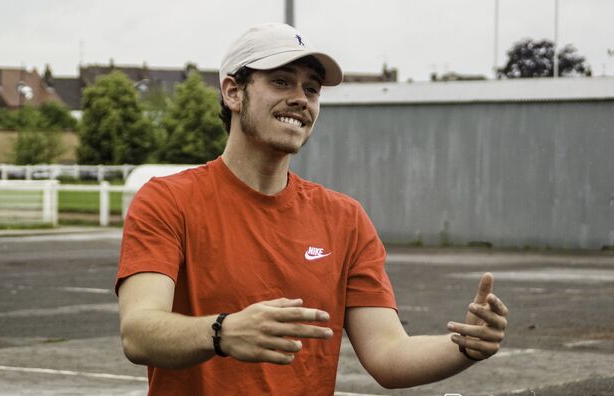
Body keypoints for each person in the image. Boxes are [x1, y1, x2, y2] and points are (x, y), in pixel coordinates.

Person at [116, 23, 508, 395]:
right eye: (281, 81)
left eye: (312, 88)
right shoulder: (167, 201)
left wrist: (465, 346)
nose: (301, 99)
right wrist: (223, 332)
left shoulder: (344, 219)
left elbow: (388, 355)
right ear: (234, 93)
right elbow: (139, 332)